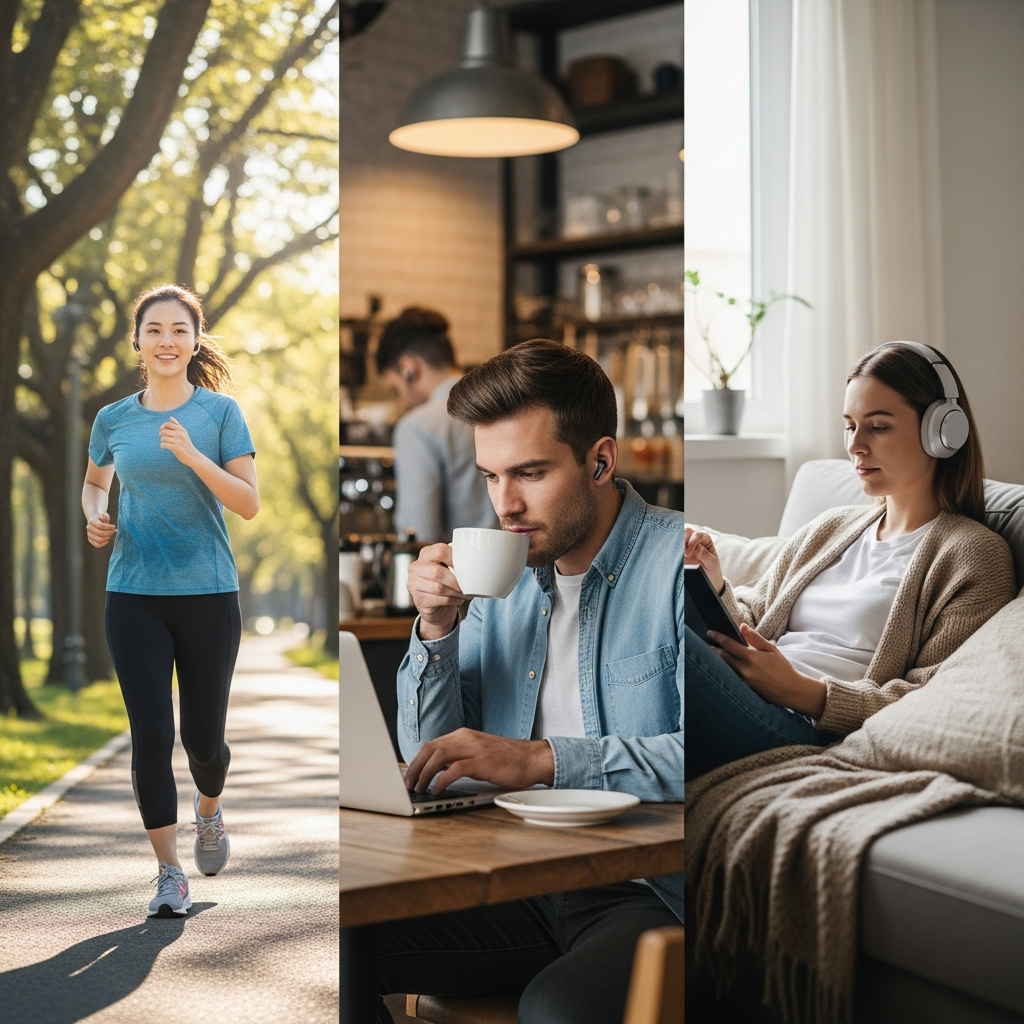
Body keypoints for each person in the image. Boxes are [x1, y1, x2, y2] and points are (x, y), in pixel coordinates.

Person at [370, 340, 685, 1024]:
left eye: (530, 473)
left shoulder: (680, 563)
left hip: (647, 893)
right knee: (338, 938)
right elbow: (431, 761)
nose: (505, 504)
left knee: (556, 1009)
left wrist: (541, 760)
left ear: (600, 461)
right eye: (490, 476)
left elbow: (717, 758)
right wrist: (437, 628)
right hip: (515, 876)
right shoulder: (501, 580)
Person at [684, 341, 1016, 781]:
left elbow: (930, 699)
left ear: (942, 432)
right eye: (850, 426)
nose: (855, 446)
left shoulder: (974, 556)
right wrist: (713, 584)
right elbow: (753, 620)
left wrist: (802, 692)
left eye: (877, 427)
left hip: (801, 728)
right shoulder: (832, 527)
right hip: (743, 695)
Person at [83, 284, 259, 918]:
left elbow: (247, 502)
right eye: (154, 330)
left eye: (179, 330)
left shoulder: (220, 414)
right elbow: (94, 482)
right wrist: (95, 515)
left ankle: (209, 810)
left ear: (195, 341)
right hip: (133, 594)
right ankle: (168, 873)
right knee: (152, 734)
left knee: (203, 742)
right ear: (138, 341)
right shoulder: (113, 420)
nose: (166, 341)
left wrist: (192, 455)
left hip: (209, 594)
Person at [375, 306, 497, 542]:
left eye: (395, 389)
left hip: (458, 565)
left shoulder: (417, 427)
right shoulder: (503, 406)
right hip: (522, 562)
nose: (402, 401)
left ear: (409, 369)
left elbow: (418, 535)